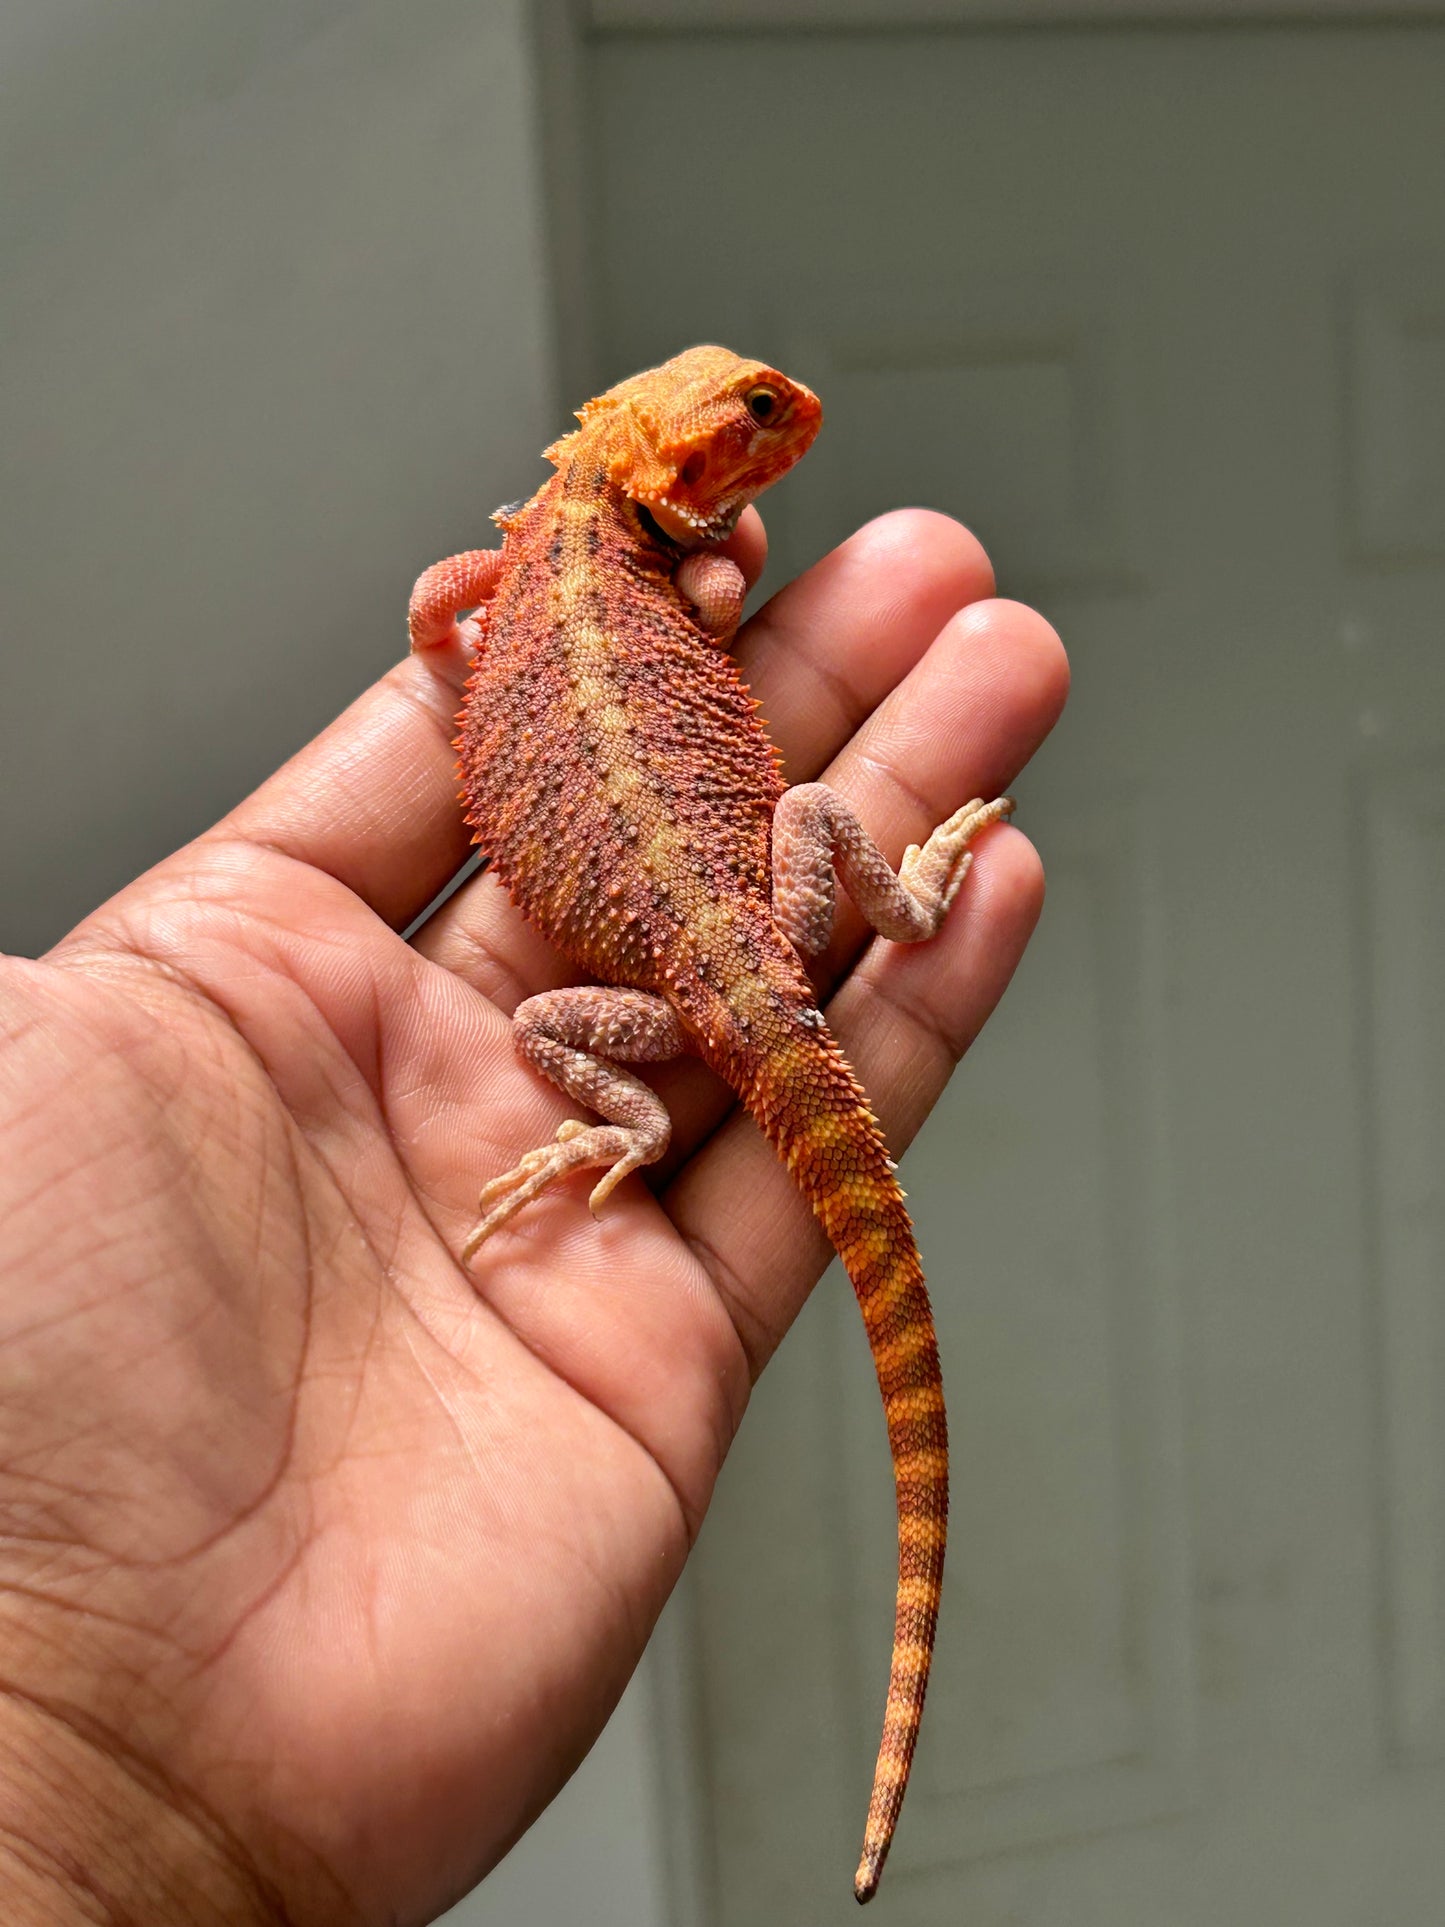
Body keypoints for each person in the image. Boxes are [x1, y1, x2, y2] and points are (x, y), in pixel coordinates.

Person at [0, 506, 1066, 1923]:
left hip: (689, 984)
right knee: (810, 812)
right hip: (750, 946)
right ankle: (902, 917)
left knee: (666, 935)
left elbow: (442, 605)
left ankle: (774, 1012)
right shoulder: (620, 579)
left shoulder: (585, 586)